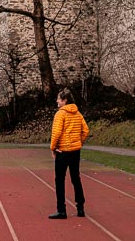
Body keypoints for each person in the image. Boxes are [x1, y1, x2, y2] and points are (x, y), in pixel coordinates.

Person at [48, 88, 89, 219]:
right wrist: (79, 143)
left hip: (63, 151)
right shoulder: (78, 113)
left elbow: (56, 133)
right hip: (75, 152)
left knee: (59, 180)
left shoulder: (60, 114)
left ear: (64, 101)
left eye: (59, 99)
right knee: (75, 178)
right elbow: (86, 130)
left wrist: (53, 147)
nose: (57, 101)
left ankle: (61, 210)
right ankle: (80, 208)